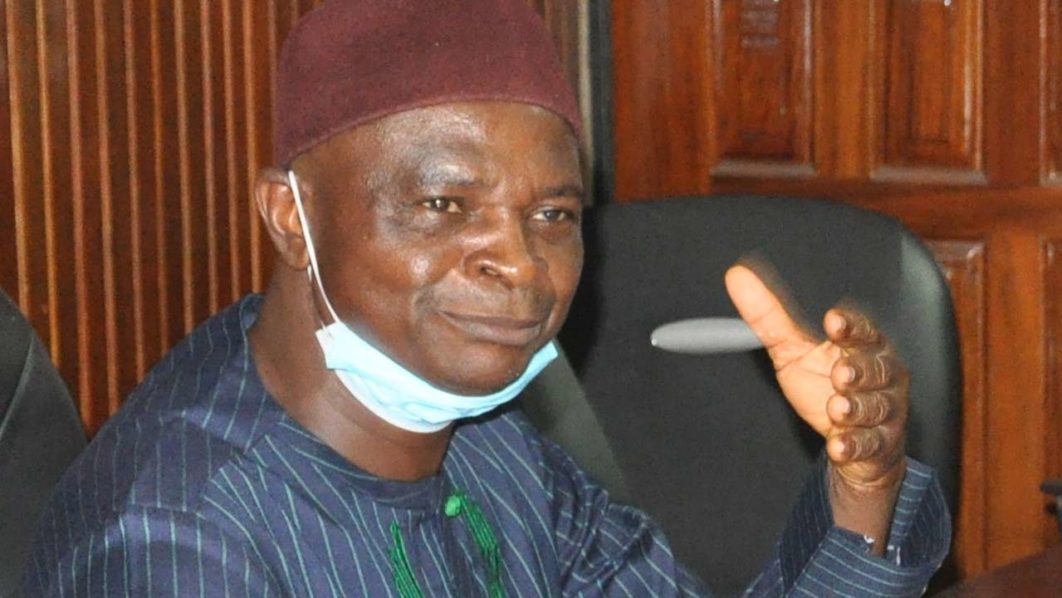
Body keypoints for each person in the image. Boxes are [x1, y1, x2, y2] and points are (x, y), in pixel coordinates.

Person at [24, 1, 949, 595]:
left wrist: (860, 488)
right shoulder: (177, 547)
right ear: (291, 218)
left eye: (552, 215)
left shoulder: (489, 443)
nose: (521, 264)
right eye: (443, 206)